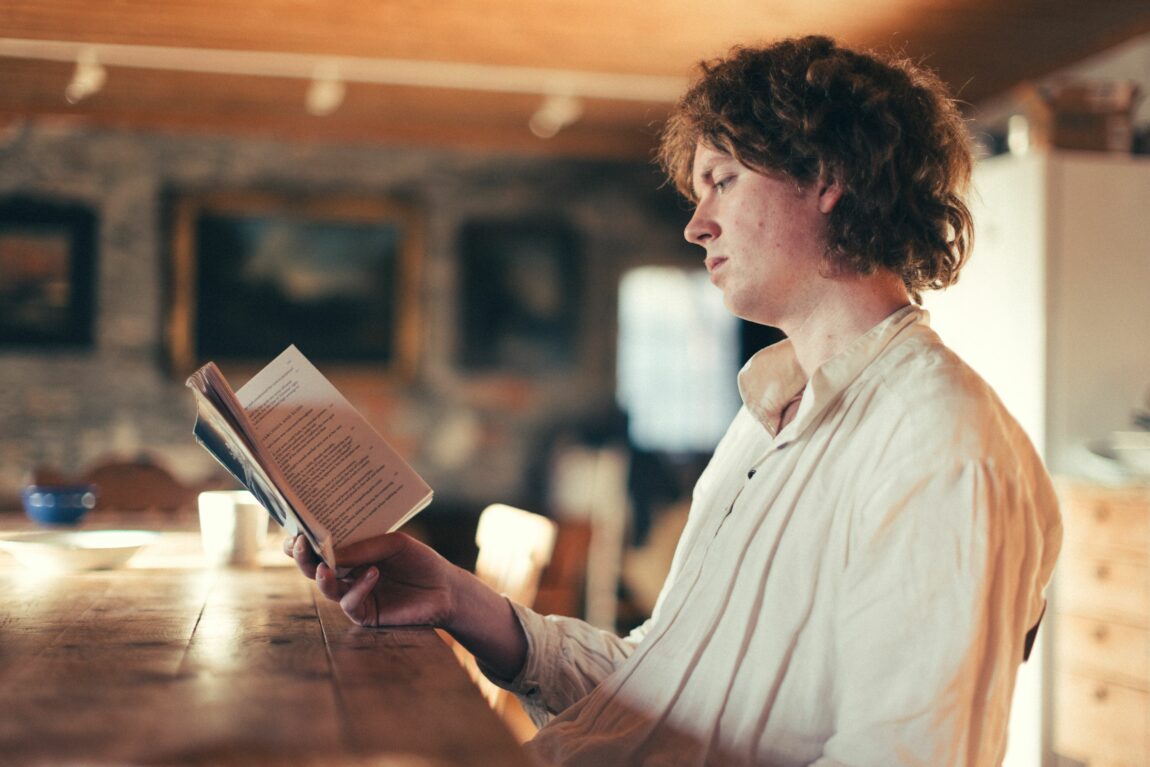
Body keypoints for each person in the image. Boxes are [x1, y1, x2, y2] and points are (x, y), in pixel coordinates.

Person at [286, 35, 1062, 766]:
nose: (696, 225)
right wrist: (460, 599)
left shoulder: (943, 444)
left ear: (828, 176)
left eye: (723, 179)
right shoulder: (768, 414)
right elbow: (663, 688)